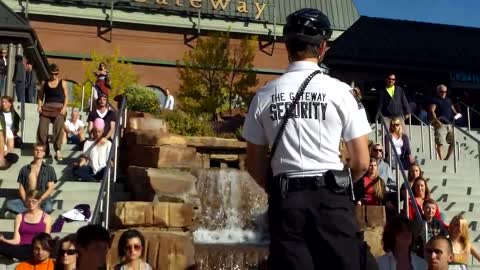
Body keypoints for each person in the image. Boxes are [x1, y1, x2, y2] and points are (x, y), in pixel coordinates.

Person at [242, 8, 376, 270]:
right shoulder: (342, 93)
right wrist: (339, 187)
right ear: (323, 47)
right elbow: (361, 162)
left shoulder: (263, 95)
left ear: (287, 47)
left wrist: (278, 189)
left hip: (286, 202)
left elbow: (253, 165)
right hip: (332, 200)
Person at [0, 190, 52, 261]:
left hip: (37, 249)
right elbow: (16, 240)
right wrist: (4, 240)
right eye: (28, 201)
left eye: (34, 202)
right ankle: (17, 256)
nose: (31, 204)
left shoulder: (46, 217)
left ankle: (16, 256)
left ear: (39, 201)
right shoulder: (19, 216)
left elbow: (45, 240)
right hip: (21, 247)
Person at [6, 143, 56, 214]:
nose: (38, 152)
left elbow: (50, 188)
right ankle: (36, 212)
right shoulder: (25, 169)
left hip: (43, 199)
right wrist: (25, 201)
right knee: (9, 204)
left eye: (41, 150)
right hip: (28, 199)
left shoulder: (49, 169)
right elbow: (21, 187)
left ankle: (27, 213)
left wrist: (40, 199)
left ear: (44, 153)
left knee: (48, 208)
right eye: (36, 150)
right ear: (33, 151)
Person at [37, 63, 68, 160]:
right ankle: (45, 151)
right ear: (49, 73)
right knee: (42, 130)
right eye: (52, 74)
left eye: (56, 74)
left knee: (59, 127)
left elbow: (66, 96)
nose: (54, 76)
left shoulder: (62, 82)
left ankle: (57, 150)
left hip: (59, 109)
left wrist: (64, 108)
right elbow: (41, 96)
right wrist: (39, 106)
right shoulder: (44, 83)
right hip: (46, 108)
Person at [429, 85, 459, 160]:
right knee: (440, 143)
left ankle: (446, 159)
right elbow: (432, 110)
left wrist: (456, 114)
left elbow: (453, 109)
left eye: (445, 91)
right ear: (438, 92)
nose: (444, 93)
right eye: (442, 91)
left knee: (453, 142)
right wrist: (437, 121)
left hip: (450, 124)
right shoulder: (435, 100)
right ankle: (441, 160)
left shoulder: (449, 100)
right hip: (440, 124)